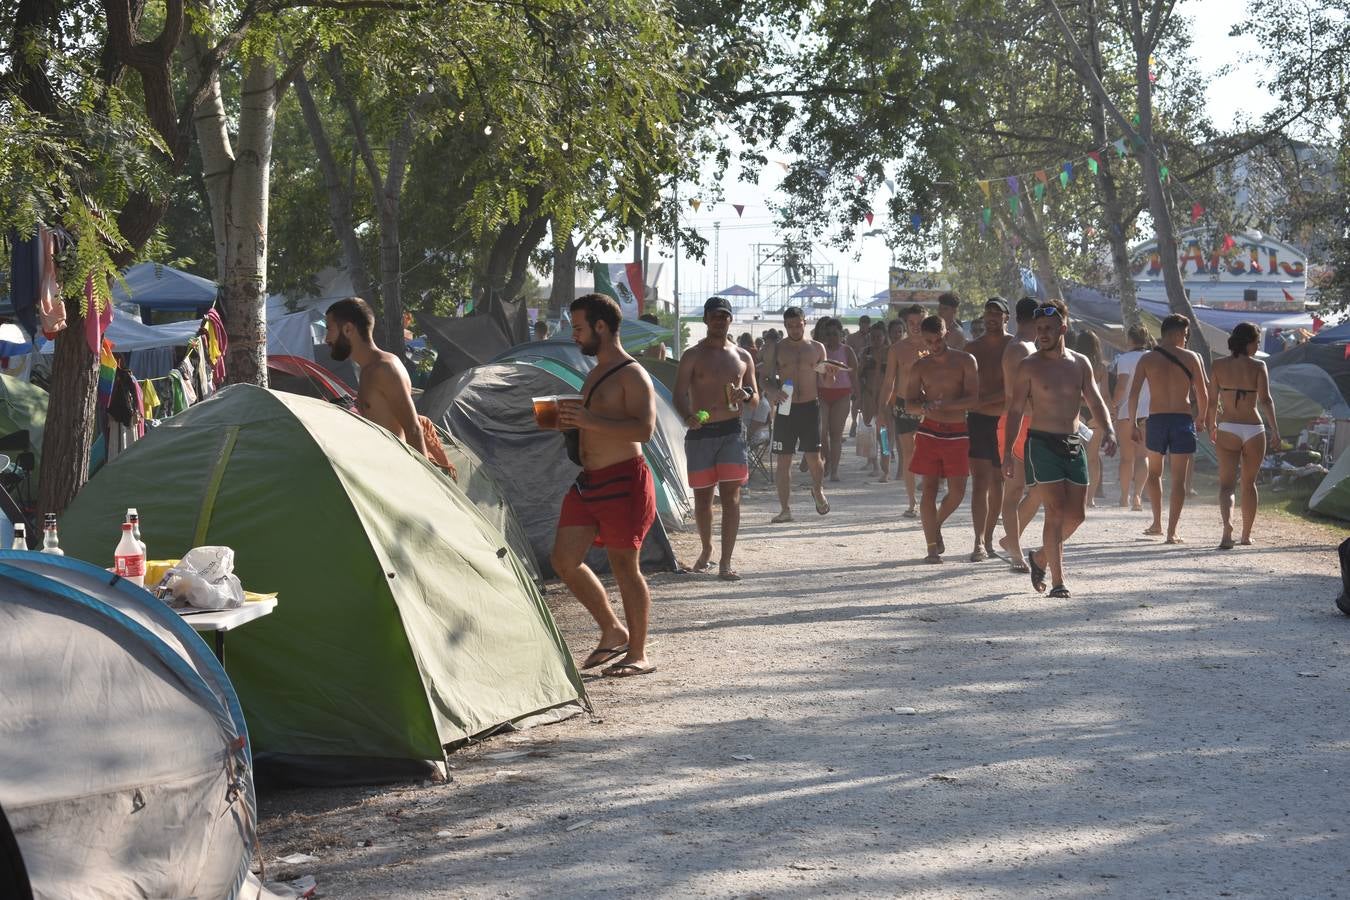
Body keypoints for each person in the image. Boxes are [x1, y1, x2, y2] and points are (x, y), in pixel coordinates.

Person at [550, 293, 658, 677]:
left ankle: (639, 654)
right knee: (564, 559)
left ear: (600, 326)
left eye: (579, 327)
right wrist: (568, 422)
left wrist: (588, 421)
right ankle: (613, 629)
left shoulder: (632, 373)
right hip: (589, 482)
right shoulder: (593, 371)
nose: (574, 335)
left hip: (624, 481)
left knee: (625, 567)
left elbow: (644, 429)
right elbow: (592, 421)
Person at [1003, 300, 1117, 598]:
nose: (1041, 334)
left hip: (1073, 443)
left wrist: (1110, 429)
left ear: (1062, 329)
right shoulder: (1028, 366)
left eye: (1048, 329)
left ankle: (1041, 557)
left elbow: (1094, 400)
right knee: (1054, 511)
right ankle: (1058, 581)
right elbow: (1014, 411)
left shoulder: (1080, 363)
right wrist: (1007, 453)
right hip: (1041, 443)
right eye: (1039, 328)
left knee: (1076, 515)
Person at [674, 297, 758, 580]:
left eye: (724, 316)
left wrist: (745, 395)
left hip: (732, 431)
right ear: (706, 319)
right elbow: (678, 394)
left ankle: (726, 561)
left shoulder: (743, 356)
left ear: (730, 320)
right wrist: (688, 416)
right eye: (715, 316)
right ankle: (707, 548)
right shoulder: (692, 355)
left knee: (732, 497)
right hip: (701, 433)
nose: (720, 321)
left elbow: (755, 397)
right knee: (703, 499)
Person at [1127, 314, 1208, 544]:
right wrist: (1201, 417)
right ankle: (1172, 531)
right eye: (1185, 334)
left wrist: (1132, 422)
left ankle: (1157, 523)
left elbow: (1133, 394)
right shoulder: (1192, 357)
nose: (1186, 338)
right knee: (1179, 480)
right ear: (1175, 334)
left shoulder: (1148, 359)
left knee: (1155, 473)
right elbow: (1202, 393)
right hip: (1182, 420)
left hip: (1157, 420)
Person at [906, 316, 979, 563]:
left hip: (958, 430)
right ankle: (931, 548)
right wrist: (925, 405)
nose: (935, 345)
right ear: (922, 339)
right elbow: (909, 404)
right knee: (929, 489)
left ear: (946, 334)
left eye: (938, 340)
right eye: (929, 341)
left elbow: (973, 399)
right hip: (929, 431)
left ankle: (935, 524)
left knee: (957, 492)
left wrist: (948, 404)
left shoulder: (966, 360)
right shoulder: (920, 366)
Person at [1206, 322, 1278, 549]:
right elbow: (1265, 400)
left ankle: (1227, 529)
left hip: (1228, 426)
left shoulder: (1218, 365)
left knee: (1226, 486)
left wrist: (1211, 425)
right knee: (1249, 483)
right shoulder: (1259, 366)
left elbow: (1211, 401)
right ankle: (1246, 534)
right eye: (1257, 342)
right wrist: (1275, 430)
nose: (1257, 346)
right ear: (1248, 342)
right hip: (1254, 429)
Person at [325, 297, 426, 456]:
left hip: (397, 471)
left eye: (329, 329)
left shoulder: (385, 368)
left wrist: (425, 479)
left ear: (348, 329)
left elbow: (413, 429)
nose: (326, 339)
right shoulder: (367, 370)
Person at [764, 307, 831, 522]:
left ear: (805, 322)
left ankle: (817, 489)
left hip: (810, 406)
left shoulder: (817, 348)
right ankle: (785, 509)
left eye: (798, 325)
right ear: (785, 326)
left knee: (813, 456)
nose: (794, 329)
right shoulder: (776, 349)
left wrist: (832, 374)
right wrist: (773, 391)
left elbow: (825, 380)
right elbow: (764, 378)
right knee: (784, 460)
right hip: (786, 407)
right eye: (790, 326)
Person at [964, 298, 1014, 561]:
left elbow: (1013, 392)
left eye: (997, 313)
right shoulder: (972, 348)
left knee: (998, 481)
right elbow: (963, 385)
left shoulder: (1014, 347)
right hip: (978, 421)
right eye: (988, 313)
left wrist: (983, 400)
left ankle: (991, 536)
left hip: (1005, 422)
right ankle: (978, 541)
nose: (992, 317)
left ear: (1007, 317)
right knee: (979, 483)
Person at [996, 297, 1041, 572]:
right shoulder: (1017, 349)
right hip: (1016, 421)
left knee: (1040, 491)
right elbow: (1016, 396)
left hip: (1034, 423)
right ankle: (1015, 551)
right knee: (1014, 490)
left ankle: (1009, 539)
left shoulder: (1032, 345)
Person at [880, 305, 928, 515]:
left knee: (927, 452)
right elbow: (888, 381)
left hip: (928, 406)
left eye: (920, 323)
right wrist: (882, 410)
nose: (915, 327)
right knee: (908, 453)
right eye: (911, 323)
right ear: (906, 323)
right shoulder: (897, 349)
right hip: (903, 404)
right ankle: (912, 502)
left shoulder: (934, 345)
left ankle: (928, 496)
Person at [1111, 324, 1152, 509]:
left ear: (1130, 339)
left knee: (1127, 458)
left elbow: (1121, 387)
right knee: (1143, 456)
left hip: (1127, 412)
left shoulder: (1125, 359)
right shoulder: (1153, 358)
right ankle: (1138, 495)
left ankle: (1124, 496)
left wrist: (1112, 405)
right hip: (1149, 412)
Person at [818, 318, 861, 482]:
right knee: (821, 432)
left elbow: (854, 373)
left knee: (836, 434)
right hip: (822, 393)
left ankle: (834, 470)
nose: (831, 337)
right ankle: (827, 462)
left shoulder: (847, 350)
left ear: (841, 334)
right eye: (828, 334)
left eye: (834, 334)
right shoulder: (820, 349)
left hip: (842, 394)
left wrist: (858, 396)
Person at [1074, 330, 1110, 507]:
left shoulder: (1073, 363)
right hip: (1095, 413)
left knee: (1076, 456)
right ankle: (1091, 498)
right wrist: (1109, 419)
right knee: (1093, 458)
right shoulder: (1101, 368)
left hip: (1077, 412)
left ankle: (1077, 496)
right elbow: (1104, 396)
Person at [857, 322, 889, 477]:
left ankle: (885, 468)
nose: (876, 339)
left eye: (879, 337)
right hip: (869, 394)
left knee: (883, 433)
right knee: (869, 432)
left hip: (884, 395)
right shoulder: (865, 352)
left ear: (884, 337)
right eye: (873, 337)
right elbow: (858, 375)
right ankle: (874, 464)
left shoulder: (890, 353)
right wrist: (864, 363)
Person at [846, 314, 872, 436]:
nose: (865, 327)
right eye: (863, 325)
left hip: (870, 372)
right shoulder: (851, 338)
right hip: (856, 371)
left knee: (868, 398)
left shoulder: (874, 337)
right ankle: (854, 422)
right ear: (860, 324)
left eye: (867, 325)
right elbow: (848, 354)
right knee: (856, 398)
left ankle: (866, 424)